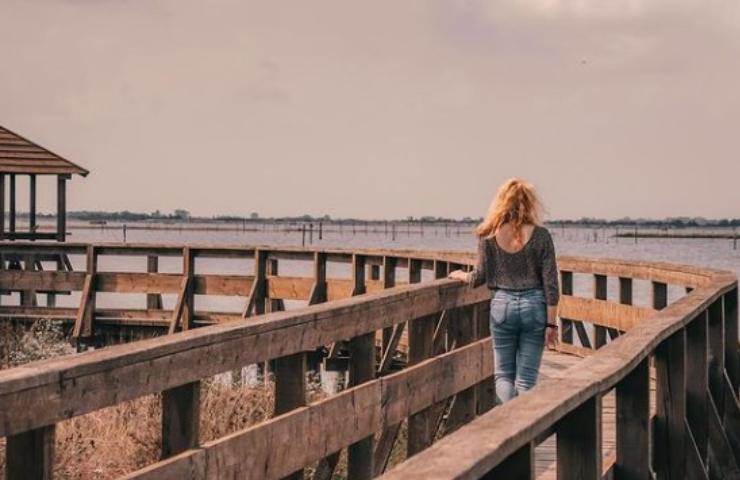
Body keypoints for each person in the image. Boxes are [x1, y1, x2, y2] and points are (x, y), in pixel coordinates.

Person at [449, 178, 559, 404]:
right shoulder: (541, 236)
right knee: (527, 380)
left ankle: (506, 431)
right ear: (530, 204)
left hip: (502, 305)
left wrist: (460, 275)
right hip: (534, 307)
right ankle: (524, 433)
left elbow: (478, 277)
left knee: (503, 376)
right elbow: (551, 284)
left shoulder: (488, 237)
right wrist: (551, 324)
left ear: (500, 204)